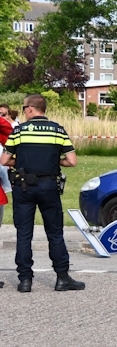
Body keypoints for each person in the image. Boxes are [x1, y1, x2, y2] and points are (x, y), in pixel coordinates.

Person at [0, 94, 84, 293]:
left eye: (23, 108)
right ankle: (62, 278)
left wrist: (21, 163)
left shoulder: (19, 131)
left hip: (23, 187)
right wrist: (54, 162)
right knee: (55, 233)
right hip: (48, 186)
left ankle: (25, 281)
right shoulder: (58, 130)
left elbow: (4, 160)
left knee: (24, 234)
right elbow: (72, 161)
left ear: (30, 109)